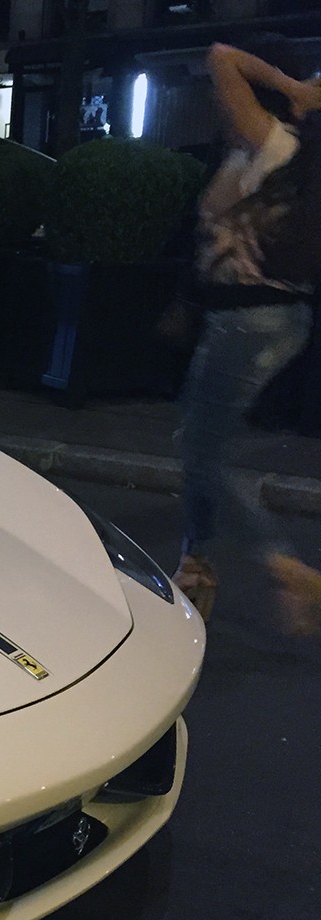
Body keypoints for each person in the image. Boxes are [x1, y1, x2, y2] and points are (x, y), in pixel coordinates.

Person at [171, 42, 321, 632]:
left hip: (249, 320)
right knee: (203, 443)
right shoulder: (274, 157)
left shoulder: (278, 143)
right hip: (274, 319)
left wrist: (291, 86)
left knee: (198, 448)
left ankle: (281, 560)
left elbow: (219, 54)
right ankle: (196, 564)